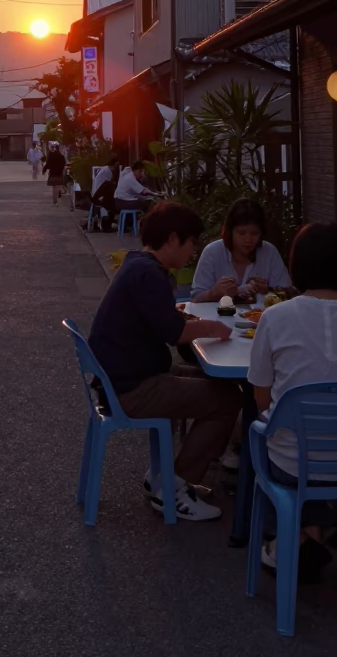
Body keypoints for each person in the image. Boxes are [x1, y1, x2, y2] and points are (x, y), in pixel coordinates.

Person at [248, 222, 337, 580]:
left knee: (266, 437)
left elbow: (262, 398)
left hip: (294, 462)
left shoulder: (275, 317)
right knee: (323, 449)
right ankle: (309, 534)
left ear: (298, 266)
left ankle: (290, 539)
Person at [89, 202, 241, 521]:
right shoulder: (148, 273)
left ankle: (165, 477)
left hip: (123, 377)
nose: (193, 253)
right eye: (191, 244)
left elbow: (163, 320)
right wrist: (212, 327)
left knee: (220, 383)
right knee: (228, 399)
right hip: (132, 387)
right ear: (173, 239)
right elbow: (175, 332)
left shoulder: (137, 264)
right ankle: (174, 488)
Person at [191, 197, 292, 301]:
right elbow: (195, 298)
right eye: (242, 233)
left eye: (254, 233)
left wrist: (268, 290)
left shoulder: (269, 252)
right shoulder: (212, 252)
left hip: (260, 317)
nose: (248, 240)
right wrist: (214, 293)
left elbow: (288, 294)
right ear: (230, 232)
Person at [89, 153, 120, 232]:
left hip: (98, 192)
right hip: (99, 194)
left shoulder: (105, 169)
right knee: (109, 203)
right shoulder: (108, 172)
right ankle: (107, 225)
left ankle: (108, 223)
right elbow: (108, 186)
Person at [43, 140, 66, 205]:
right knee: (58, 186)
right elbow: (63, 165)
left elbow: (48, 164)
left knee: (54, 188)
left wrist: (44, 170)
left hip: (52, 173)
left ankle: (54, 201)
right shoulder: (61, 157)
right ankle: (58, 193)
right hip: (59, 173)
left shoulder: (51, 156)